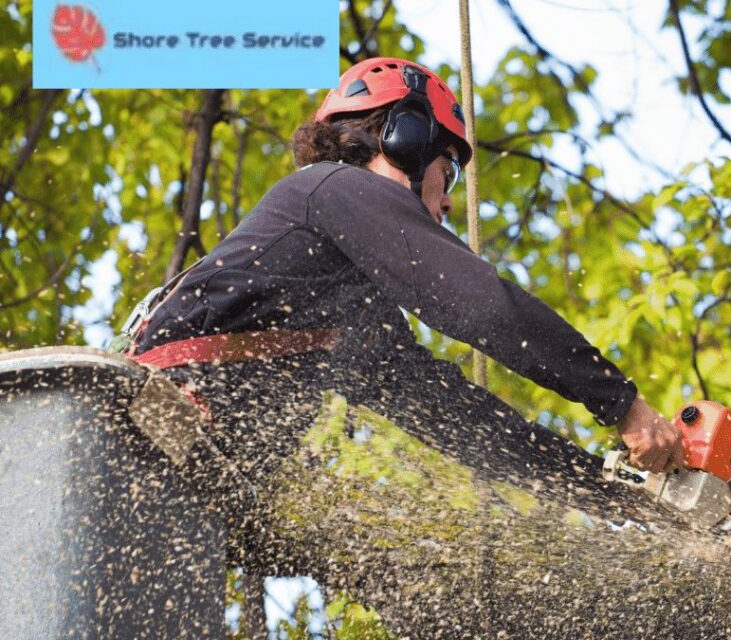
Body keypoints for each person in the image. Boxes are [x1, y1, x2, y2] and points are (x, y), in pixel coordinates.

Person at [128, 58, 685, 503]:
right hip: (150, 431)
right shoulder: (331, 188)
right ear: (405, 140)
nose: (446, 199)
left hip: (181, 478)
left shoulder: (349, 313)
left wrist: (611, 496)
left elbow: (459, 418)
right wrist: (623, 405)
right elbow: (486, 307)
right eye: (449, 170)